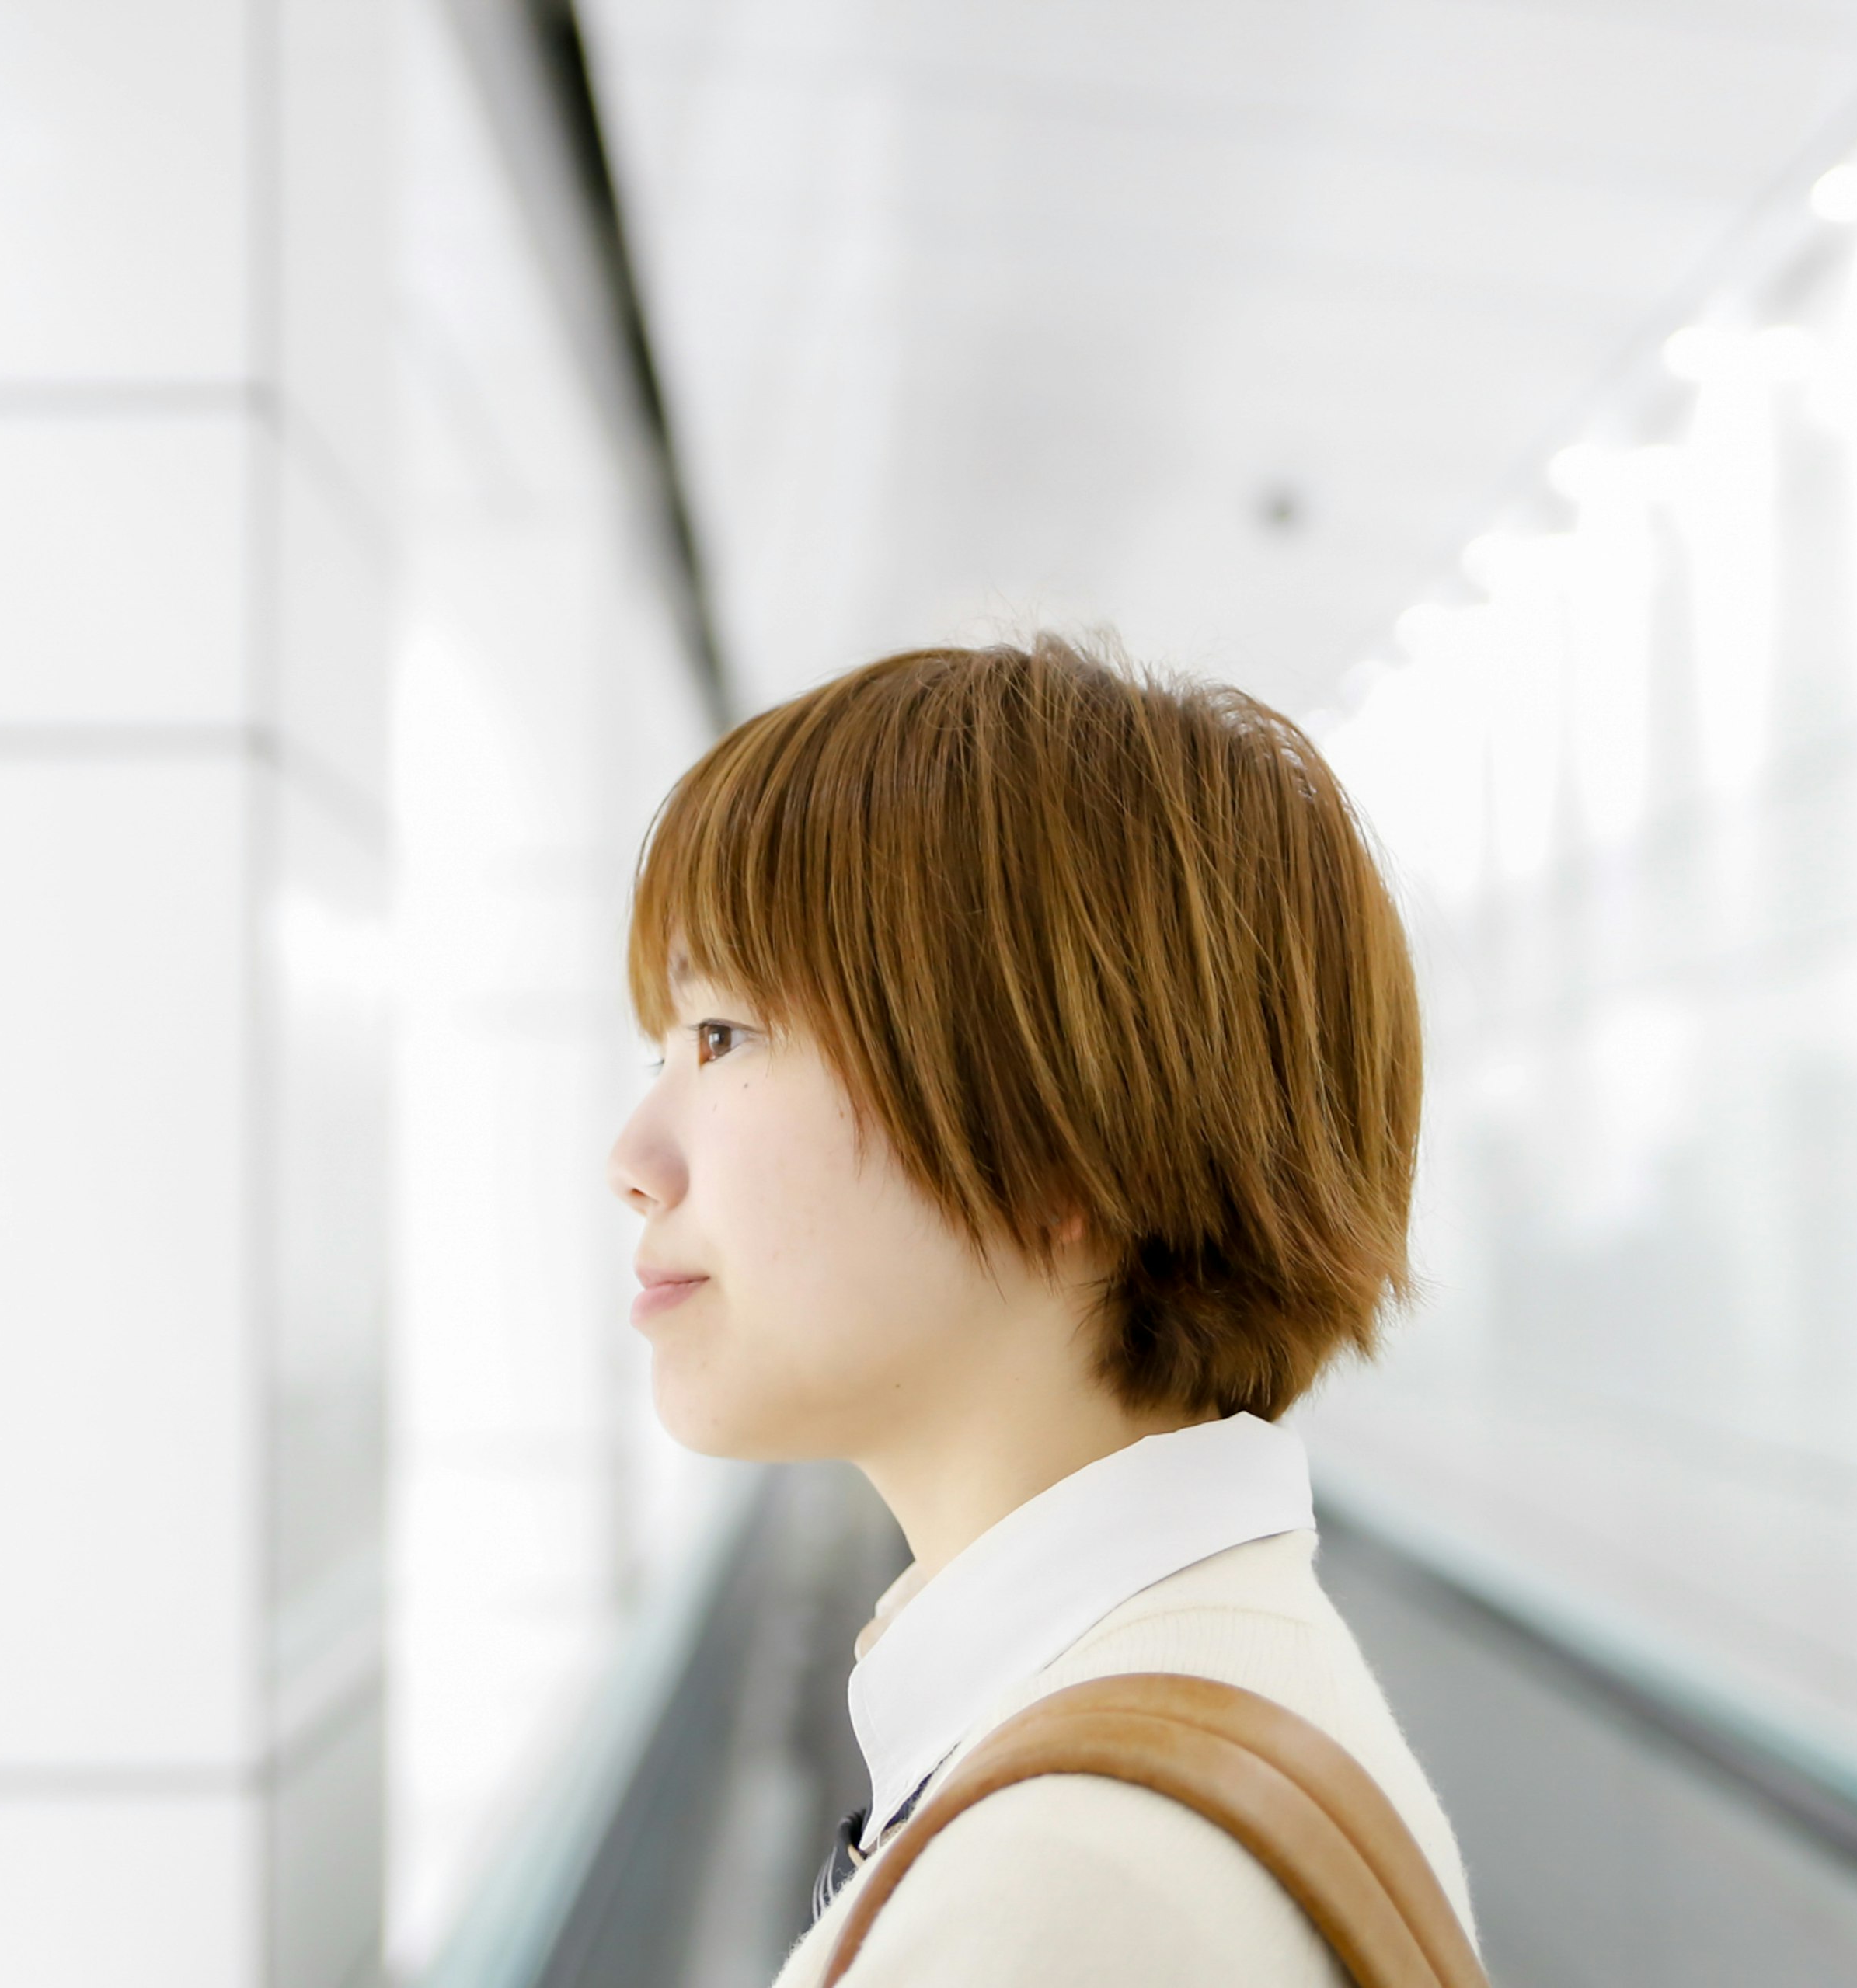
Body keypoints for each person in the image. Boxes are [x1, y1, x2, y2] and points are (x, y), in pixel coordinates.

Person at [607, 634, 1472, 1986]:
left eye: (725, 1038)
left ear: (1059, 1138)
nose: (634, 1156)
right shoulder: (1197, 1705)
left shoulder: (1065, 1899)